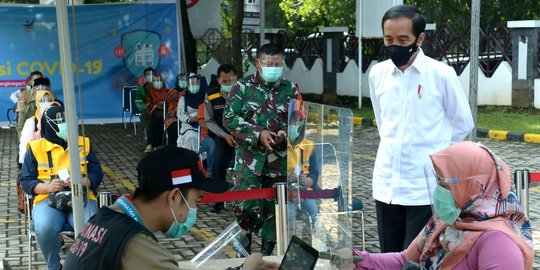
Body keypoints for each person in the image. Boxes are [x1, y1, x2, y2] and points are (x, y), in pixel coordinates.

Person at [64, 146, 279, 270]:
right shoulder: (134, 244)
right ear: (175, 197)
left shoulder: (106, 216)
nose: (195, 208)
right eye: (197, 200)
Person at [369, 5, 474, 252]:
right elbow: (382, 122)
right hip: (386, 186)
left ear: (420, 38)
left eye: (403, 39)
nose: (395, 45)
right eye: (389, 39)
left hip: (423, 189)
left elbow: (463, 124)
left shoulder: (441, 75)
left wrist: (436, 156)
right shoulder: (378, 74)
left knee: (415, 261)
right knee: (388, 257)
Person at [336, 142, 534, 270]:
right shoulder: (450, 221)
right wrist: (357, 260)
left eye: (445, 183)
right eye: (437, 180)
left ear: (474, 186)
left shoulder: (499, 244)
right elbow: (405, 260)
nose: (439, 190)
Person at [223, 43, 301, 255]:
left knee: (274, 213)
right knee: (245, 209)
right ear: (258, 63)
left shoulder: (291, 89)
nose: (273, 68)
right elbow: (228, 118)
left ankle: (266, 257)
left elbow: (299, 122)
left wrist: (287, 133)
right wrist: (258, 133)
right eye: (268, 64)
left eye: (277, 64)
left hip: (279, 164)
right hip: (250, 163)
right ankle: (242, 257)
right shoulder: (242, 87)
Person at [20, 106, 103, 270]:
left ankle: (83, 265)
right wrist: (47, 187)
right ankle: (54, 266)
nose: (65, 124)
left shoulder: (83, 143)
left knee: (91, 228)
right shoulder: (35, 148)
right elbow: (26, 180)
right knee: (44, 227)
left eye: (66, 120)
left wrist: (83, 181)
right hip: (46, 200)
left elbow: (97, 173)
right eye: (60, 121)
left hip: (81, 196)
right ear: (49, 125)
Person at [205, 63, 238, 213]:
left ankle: (247, 201)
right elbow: (209, 121)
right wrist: (225, 136)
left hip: (246, 134)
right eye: (225, 81)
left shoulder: (246, 92)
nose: (229, 84)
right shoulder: (211, 95)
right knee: (218, 164)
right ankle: (218, 201)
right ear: (218, 81)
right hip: (223, 135)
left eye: (232, 80)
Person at [286, 110, 320, 225]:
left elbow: (315, 173)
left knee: (314, 213)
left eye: (300, 123)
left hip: (304, 191)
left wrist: (307, 181)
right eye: (294, 122)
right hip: (286, 192)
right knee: (289, 217)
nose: (296, 126)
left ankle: (314, 238)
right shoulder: (280, 144)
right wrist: (287, 177)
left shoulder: (308, 146)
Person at [177, 73, 205, 151]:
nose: (194, 85)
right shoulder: (183, 98)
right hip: (188, 126)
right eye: (191, 83)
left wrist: (201, 117)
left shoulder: (205, 98)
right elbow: (180, 114)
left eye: (196, 83)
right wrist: (190, 119)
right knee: (191, 137)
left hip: (203, 125)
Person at [16, 74, 48, 138]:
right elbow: (21, 122)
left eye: (40, 79)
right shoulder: (24, 95)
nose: (40, 86)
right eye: (35, 80)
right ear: (31, 82)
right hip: (31, 128)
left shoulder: (50, 95)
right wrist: (23, 139)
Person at [143, 73, 168, 153]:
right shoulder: (150, 92)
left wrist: (164, 105)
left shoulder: (168, 91)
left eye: (159, 80)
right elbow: (148, 103)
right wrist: (155, 106)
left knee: (161, 119)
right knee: (153, 122)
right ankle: (150, 144)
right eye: (155, 81)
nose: (158, 82)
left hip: (166, 112)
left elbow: (171, 102)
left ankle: (157, 143)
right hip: (155, 112)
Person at [135, 67, 156, 151]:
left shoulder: (161, 86)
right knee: (144, 116)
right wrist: (146, 107)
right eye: (147, 75)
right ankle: (151, 141)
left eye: (151, 74)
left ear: (155, 75)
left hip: (160, 110)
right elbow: (138, 101)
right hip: (148, 109)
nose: (150, 76)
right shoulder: (142, 89)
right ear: (145, 77)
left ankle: (152, 142)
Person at [164, 73, 187, 146]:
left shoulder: (191, 92)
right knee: (174, 126)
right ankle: (173, 149)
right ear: (177, 81)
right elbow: (175, 97)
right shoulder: (172, 91)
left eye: (185, 80)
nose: (183, 81)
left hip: (186, 116)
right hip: (173, 117)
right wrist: (186, 91)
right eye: (181, 80)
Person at [197, 102, 215, 176]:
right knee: (212, 144)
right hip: (207, 135)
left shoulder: (223, 104)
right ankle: (211, 172)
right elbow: (202, 123)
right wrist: (217, 131)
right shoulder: (203, 106)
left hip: (222, 134)